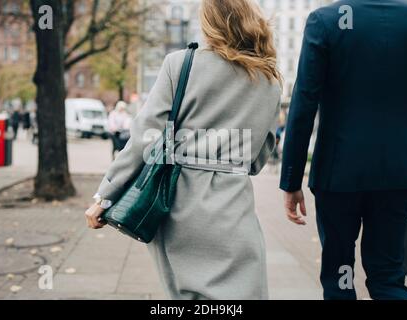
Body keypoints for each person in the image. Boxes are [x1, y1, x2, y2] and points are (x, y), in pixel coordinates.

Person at [85, 0, 282, 300]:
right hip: (234, 207)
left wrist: (105, 196)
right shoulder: (269, 81)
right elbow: (256, 161)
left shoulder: (181, 64)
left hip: (180, 203)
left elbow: (144, 137)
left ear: (210, 23)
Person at [280, 0, 407, 300]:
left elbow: (304, 103)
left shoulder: (325, 20)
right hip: (399, 170)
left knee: (340, 277)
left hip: (338, 173)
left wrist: (291, 181)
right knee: (389, 276)